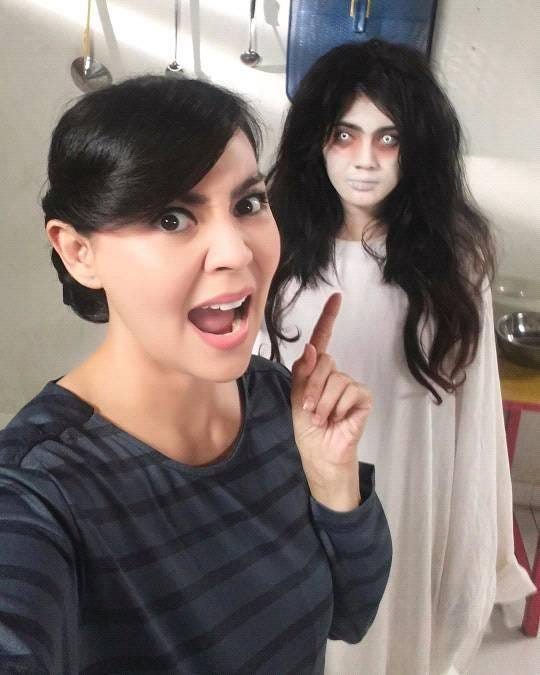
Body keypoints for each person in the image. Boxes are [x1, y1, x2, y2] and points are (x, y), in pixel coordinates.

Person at [0, 76, 392, 673]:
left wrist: (333, 476)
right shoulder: (37, 492)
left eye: (248, 205)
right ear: (79, 252)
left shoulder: (278, 400)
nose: (236, 251)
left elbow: (351, 614)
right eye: (171, 218)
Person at [256, 39, 536, 675]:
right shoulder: (272, 243)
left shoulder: (456, 257)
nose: (365, 160)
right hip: (290, 482)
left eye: (389, 139)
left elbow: (474, 411)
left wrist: (479, 541)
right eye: (345, 135)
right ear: (315, 139)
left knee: (385, 629)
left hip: (409, 483)